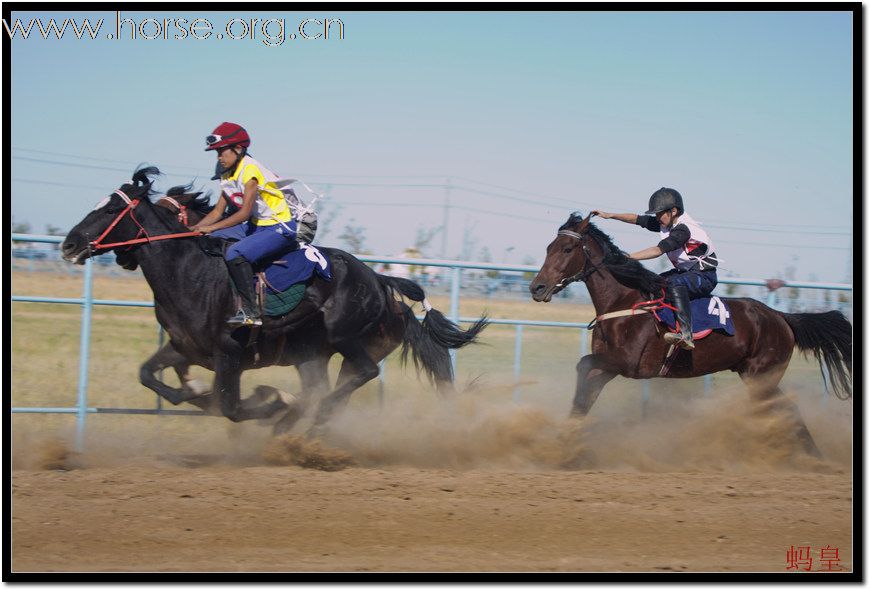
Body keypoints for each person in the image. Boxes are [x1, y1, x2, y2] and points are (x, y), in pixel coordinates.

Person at [191, 122, 300, 327]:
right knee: (207, 240)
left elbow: (243, 214)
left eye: (221, 152)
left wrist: (212, 228)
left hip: (279, 227)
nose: (219, 158)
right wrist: (194, 230)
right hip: (257, 225)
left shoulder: (250, 170)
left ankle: (251, 313)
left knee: (234, 254)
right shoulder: (227, 172)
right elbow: (217, 212)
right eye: (217, 153)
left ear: (238, 149)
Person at [592, 188, 719, 350]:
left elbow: (657, 250)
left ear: (674, 211)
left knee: (673, 284)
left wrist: (627, 257)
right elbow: (637, 219)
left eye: (659, 213)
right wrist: (609, 215)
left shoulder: (683, 229)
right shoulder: (666, 222)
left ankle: (686, 335)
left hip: (705, 277)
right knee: (653, 282)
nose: (656, 217)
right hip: (687, 273)